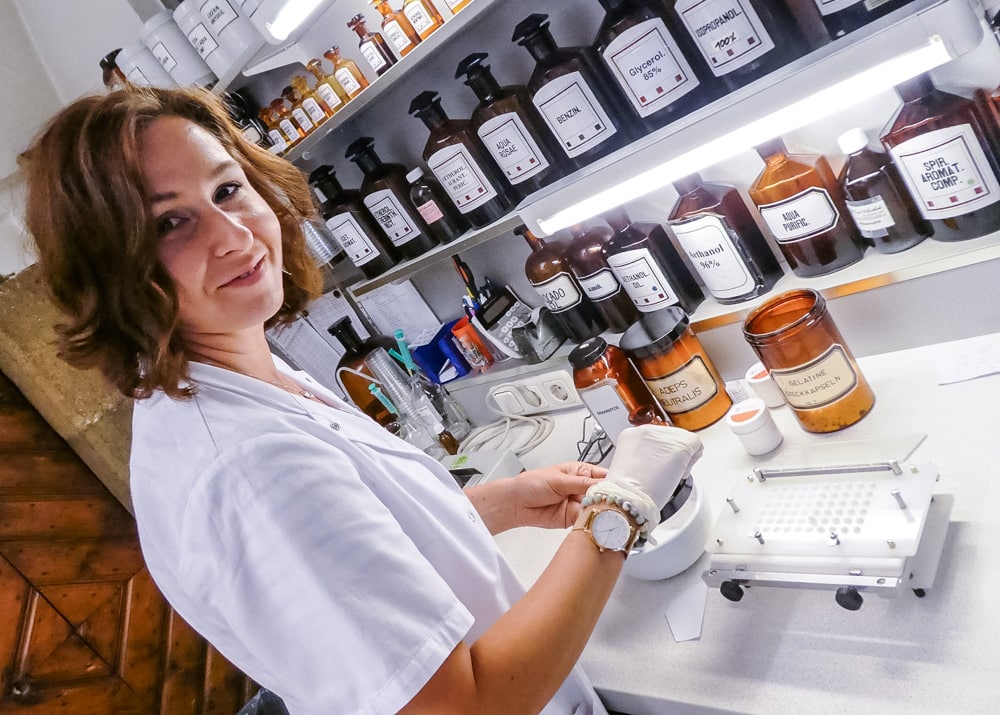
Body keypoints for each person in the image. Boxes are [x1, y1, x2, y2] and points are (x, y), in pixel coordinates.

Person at [21, 85, 703, 715]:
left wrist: (499, 502)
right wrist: (623, 508)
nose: (231, 235)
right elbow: (462, 706)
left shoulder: (235, 374)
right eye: (171, 223)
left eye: (227, 189)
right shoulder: (248, 467)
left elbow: (353, 548)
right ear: (113, 269)